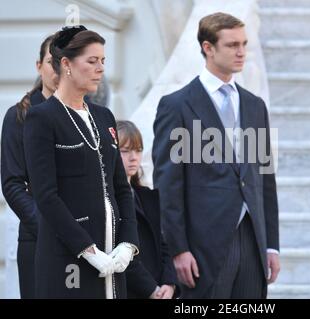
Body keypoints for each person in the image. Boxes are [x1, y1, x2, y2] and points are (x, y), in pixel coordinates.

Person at [152, 12, 280, 299]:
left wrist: (271, 245)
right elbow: (168, 185)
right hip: (201, 247)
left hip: (252, 240)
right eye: (232, 45)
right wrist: (178, 249)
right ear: (208, 48)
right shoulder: (177, 105)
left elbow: (264, 177)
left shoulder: (255, 105)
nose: (241, 52)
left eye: (244, 44)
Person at [23, 25, 139, 298]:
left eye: (103, 61)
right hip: (68, 259)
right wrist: (88, 250)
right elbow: (46, 196)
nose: (100, 69)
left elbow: (122, 188)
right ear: (66, 64)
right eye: (92, 61)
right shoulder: (42, 118)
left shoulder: (105, 116)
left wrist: (128, 243)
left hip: (113, 257)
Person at [1, 34, 57, 299]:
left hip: (90, 244)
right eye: (51, 61)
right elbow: (12, 184)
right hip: (39, 240)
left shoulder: (93, 114)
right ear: (39, 66)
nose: (59, 69)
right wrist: (50, 228)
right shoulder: (18, 116)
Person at [116, 120, 178, 299]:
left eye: (138, 150)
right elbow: (122, 254)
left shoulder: (148, 196)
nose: (134, 157)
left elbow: (164, 243)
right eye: (125, 151)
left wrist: (169, 283)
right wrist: (152, 290)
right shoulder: (107, 200)